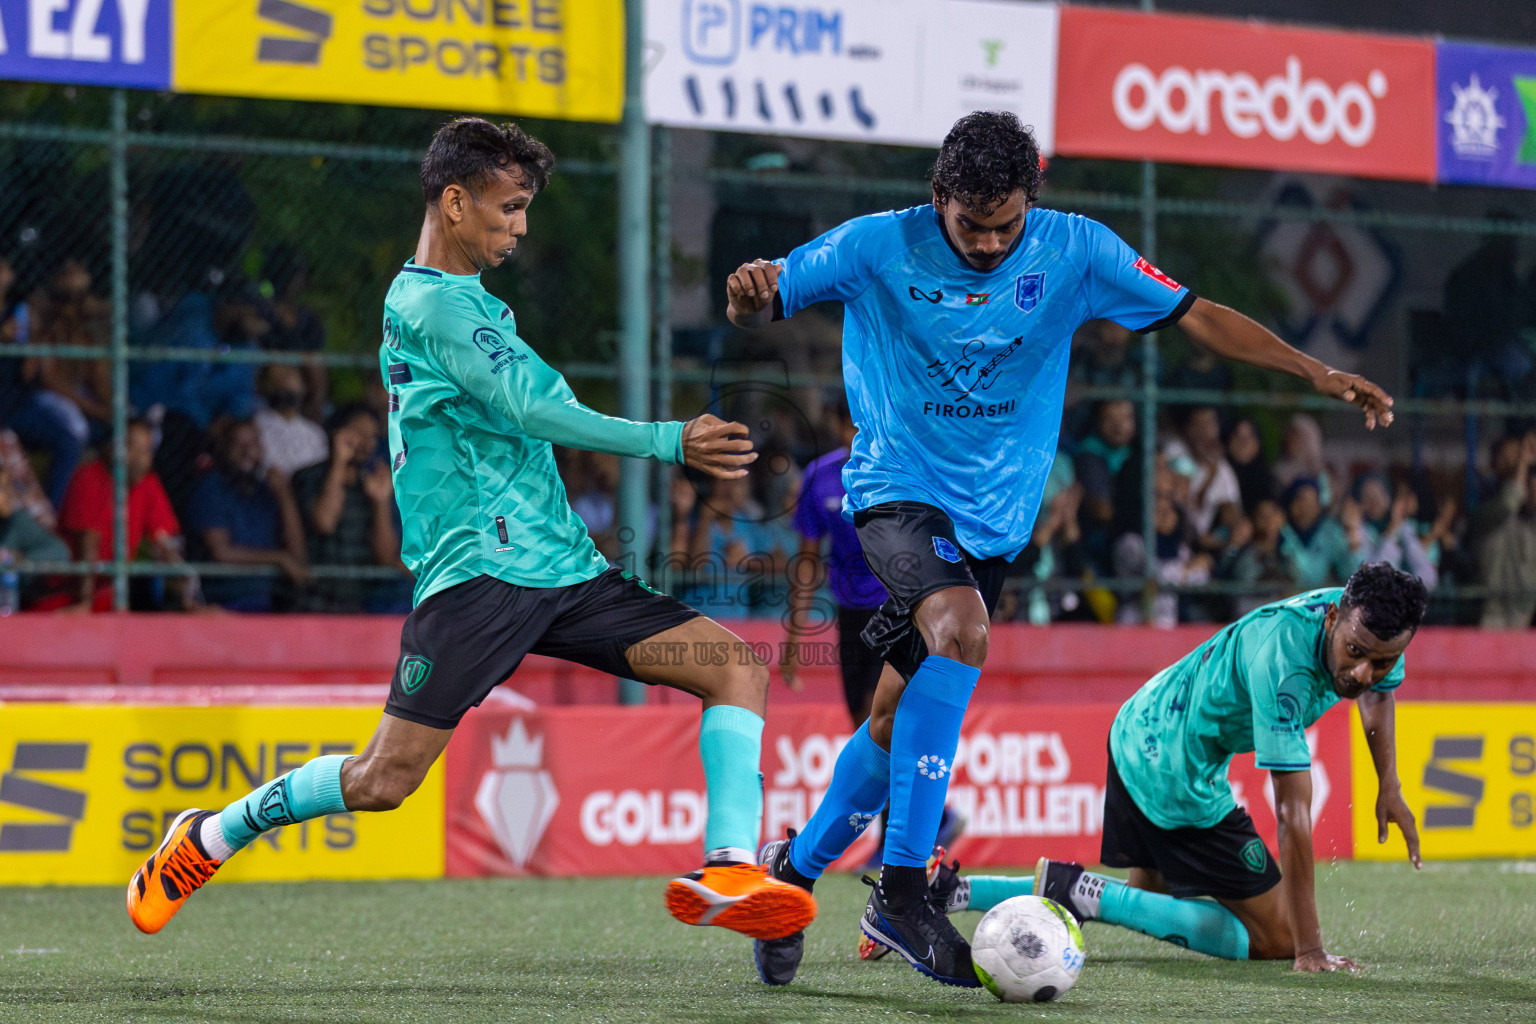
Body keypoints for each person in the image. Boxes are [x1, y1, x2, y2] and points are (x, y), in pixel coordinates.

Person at [725, 110, 1395, 987]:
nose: (992, 244)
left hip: (992, 526)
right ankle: (900, 894)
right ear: (939, 199)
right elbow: (764, 297)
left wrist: (1314, 371)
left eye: (1008, 225)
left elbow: (1197, 315)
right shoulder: (875, 245)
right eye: (972, 226)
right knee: (959, 630)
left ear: (1031, 204)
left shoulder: (1076, 250)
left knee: (893, 718)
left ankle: (794, 875)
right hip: (894, 491)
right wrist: (747, 296)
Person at [127, 117, 815, 950]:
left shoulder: (469, 306)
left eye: (525, 208)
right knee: (384, 779)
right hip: (480, 577)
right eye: (509, 207)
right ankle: (209, 836)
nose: (520, 226)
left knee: (735, 669)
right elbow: (532, 408)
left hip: (561, 568)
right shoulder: (431, 306)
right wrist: (670, 441)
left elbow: (520, 414)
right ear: (455, 203)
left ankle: (731, 869)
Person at [1015, 564, 1427, 972]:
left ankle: (964, 890)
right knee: (1279, 936)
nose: (1362, 674)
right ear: (1333, 618)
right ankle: (1079, 892)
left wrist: (1388, 783)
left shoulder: (1370, 624)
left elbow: (1377, 696)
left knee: (1148, 897)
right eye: (1354, 653)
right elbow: (1291, 814)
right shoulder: (1285, 662)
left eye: (1382, 663)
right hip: (1173, 763)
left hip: (1140, 722)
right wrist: (1309, 949)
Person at [57, 418, 191, 611]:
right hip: (69, 590)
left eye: (145, 451)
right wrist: (84, 603)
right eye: (130, 446)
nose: (138, 457)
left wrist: (188, 599)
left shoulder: (148, 484)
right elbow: (87, 543)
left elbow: (165, 543)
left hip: (112, 589)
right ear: (110, 447)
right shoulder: (89, 476)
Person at [183, 417, 310, 612]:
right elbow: (222, 552)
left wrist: (285, 497)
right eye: (238, 444)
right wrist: (278, 558)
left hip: (271, 602)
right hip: (224, 601)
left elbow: (297, 554)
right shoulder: (210, 488)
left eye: (254, 443)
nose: (248, 451)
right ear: (224, 449)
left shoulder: (266, 490)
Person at [290, 404, 403, 613]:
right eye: (358, 433)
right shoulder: (309, 477)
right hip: (313, 603)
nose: (366, 443)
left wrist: (381, 502)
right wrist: (339, 461)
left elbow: (386, 557)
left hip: (359, 608)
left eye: (372, 436)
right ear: (336, 433)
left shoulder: (374, 484)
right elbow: (324, 522)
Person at [253, 363, 328, 479]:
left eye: (288, 376)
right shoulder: (255, 425)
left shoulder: (314, 432)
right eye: (278, 379)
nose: (284, 384)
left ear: (303, 385)